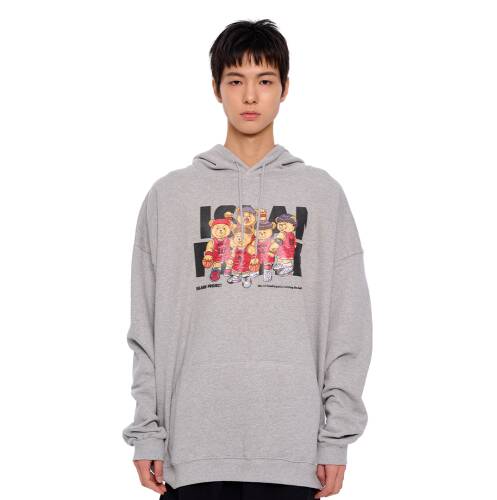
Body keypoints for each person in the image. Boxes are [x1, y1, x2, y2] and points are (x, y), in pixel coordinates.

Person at [122, 19, 372, 499]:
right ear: (216, 88)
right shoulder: (169, 196)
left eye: (265, 81)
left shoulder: (322, 195)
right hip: (192, 451)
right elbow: (145, 325)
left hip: (293, 452)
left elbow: (350, 324)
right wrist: (147, 431)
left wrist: (335, 437)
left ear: (285, 89)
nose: (251, 96)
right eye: (236, 81)